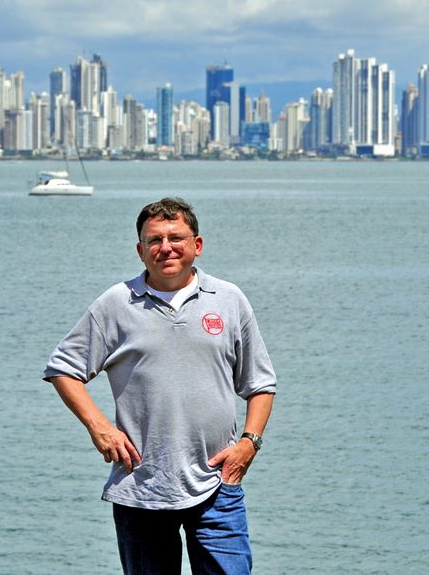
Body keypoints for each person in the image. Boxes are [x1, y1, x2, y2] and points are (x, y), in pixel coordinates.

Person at [43, 197, 276, 575]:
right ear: (140, 250)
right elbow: (62, 369)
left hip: (218, 486)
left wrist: (250, 443)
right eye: (154, 240)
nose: (165, 247)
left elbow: (261, 384)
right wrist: (100, 428)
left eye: (175, 238)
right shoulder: (116, 304)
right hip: (141, 489)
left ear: (196, 245)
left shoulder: (230, 300)